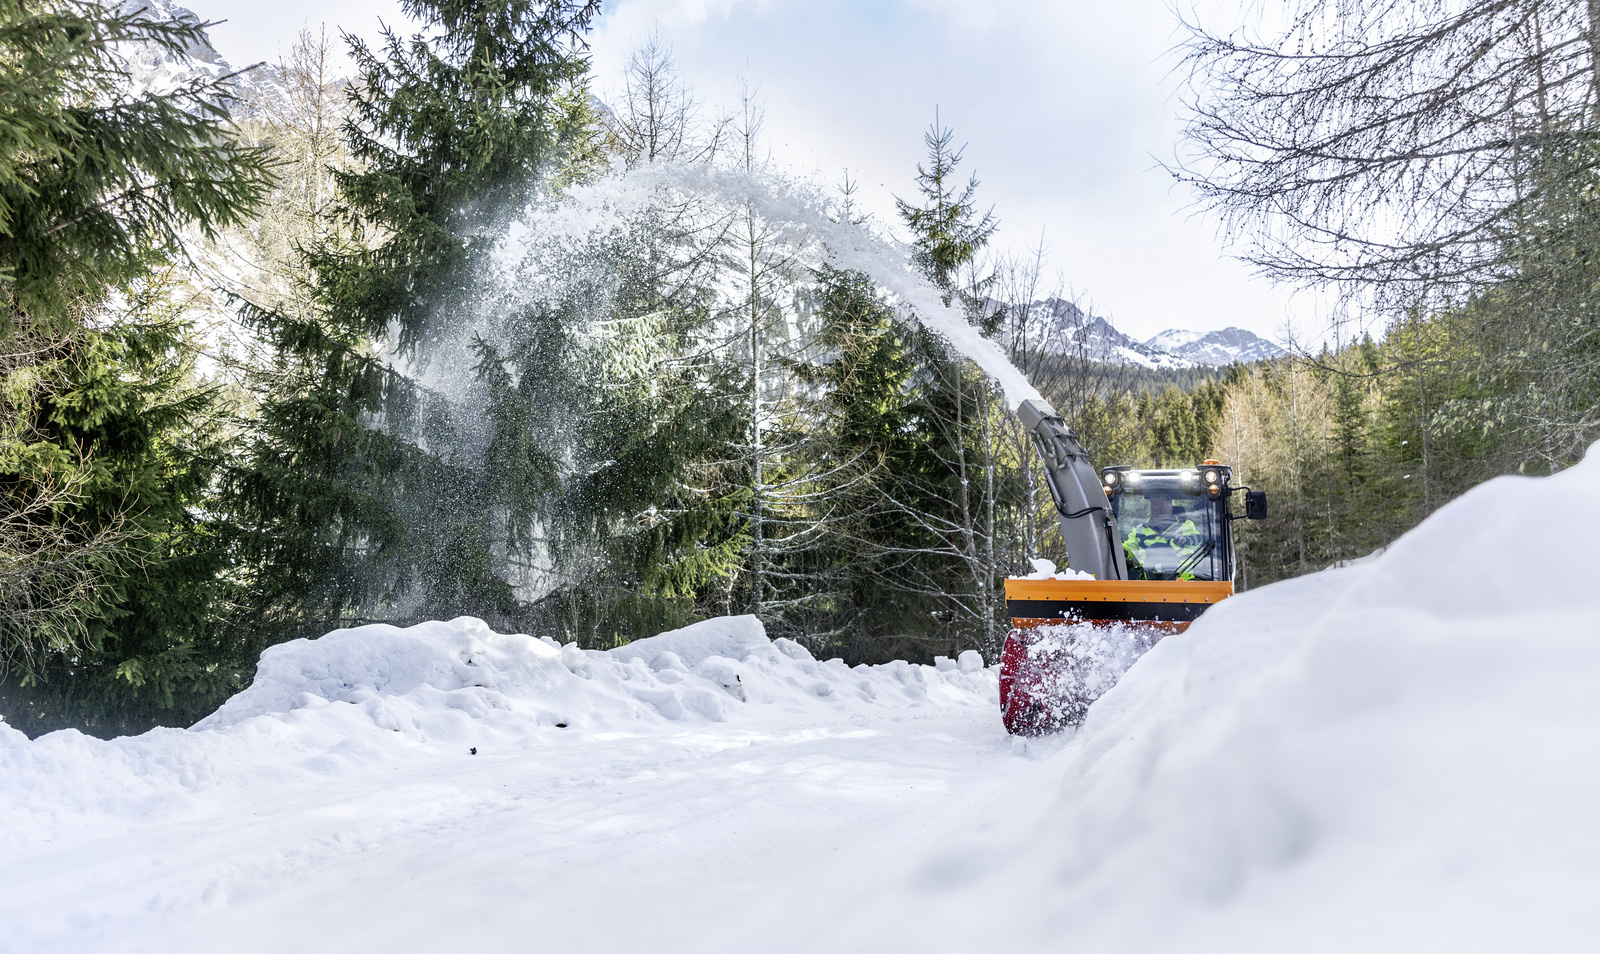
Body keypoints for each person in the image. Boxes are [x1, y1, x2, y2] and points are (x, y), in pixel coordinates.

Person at [1123, 494, 1202, 580]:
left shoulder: (1185, 525)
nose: (1158, 513)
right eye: (1154, 509)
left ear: (1170, 510)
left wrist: (1185, 539)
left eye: (1161, 509)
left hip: (1183, 583)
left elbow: (1198, 541)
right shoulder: (1140, 530)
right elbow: (1128, 550)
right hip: (1146, 583)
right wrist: (1116, 548)